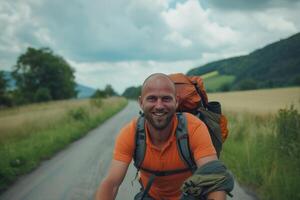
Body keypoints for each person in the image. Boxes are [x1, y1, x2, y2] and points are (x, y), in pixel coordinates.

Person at [96, 73, 233, 200]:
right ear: (141, 102)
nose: (159, 106)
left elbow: (214, 180)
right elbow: (112, 183)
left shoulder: (194, 128)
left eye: (166, 98)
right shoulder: (131, 133)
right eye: (152, 99)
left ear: (176, 101)